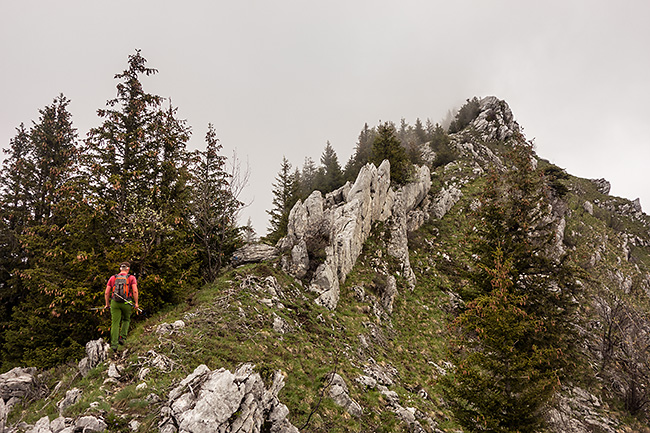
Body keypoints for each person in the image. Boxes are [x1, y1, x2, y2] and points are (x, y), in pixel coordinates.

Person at [104, 262, 139, 352]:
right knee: (126, 320)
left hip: (115, 303)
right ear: (128, 269)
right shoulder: (131, 278)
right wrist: (136, 303)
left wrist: (107, 304)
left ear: (120, 269)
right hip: (127, 302)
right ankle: (122, 338)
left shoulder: (113, 278)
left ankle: (114, 345)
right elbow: (135, 291)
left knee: (115, 323)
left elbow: (107, 292)